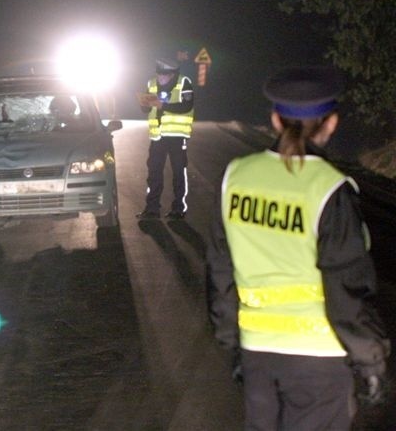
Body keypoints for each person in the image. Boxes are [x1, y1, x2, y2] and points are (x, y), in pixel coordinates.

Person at [206, 66, 390, 430]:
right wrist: (370, 360)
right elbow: (346, 288)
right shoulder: (329, 189)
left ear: (275, 120)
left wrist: (233, 344)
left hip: (258, 353)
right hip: (318, 362)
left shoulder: (236, 177)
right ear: (332, 123)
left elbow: (219, 270)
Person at [136, 58, 194, 220]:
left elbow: (187, 106)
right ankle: (152, 208)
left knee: (178, 172)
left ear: (173, 74)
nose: (161, 77)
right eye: (159, 74)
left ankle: (178, 209)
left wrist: (164, 106)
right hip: (158, 137)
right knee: (154, 172)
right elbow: (145, 109)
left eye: (165, 75)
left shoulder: (184, 83)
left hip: (177, 136)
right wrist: (144, 103)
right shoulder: (151, 83)